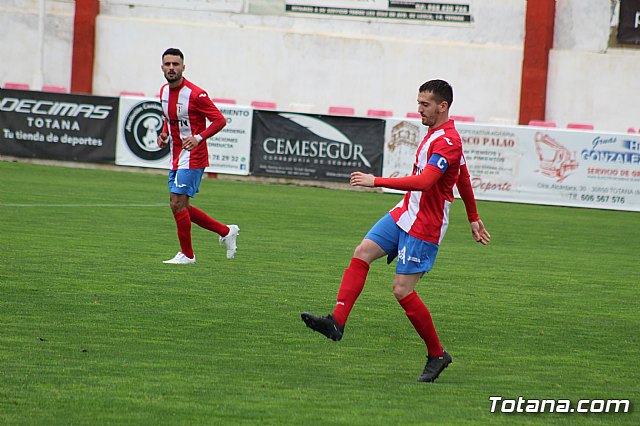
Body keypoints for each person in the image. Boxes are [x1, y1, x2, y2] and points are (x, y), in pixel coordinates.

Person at [301, 79, 491, 382]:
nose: (419, 110)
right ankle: (336, 322)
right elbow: (463, 176)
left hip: (425, 224)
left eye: (425, 105)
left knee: (402, 290)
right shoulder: (436, 134)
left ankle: (437, 354)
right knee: (362, 252)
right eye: (418, 103)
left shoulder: (448, 141)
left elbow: (428, 182)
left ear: (443, 106)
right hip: (405, 212)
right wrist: (473, 216)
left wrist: (376, 181)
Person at [157, 48, 239, 264]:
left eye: (176, 64)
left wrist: (199, 137)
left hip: (193, 156)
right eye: (168, 64)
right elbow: (168, 116)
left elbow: (219, 120)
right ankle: (225, 231)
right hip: (175, 155)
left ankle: (188, 255)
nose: (172, 68)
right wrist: (164, 132)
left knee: (177, 203)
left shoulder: (196, 94)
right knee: (179, 206)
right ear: (162, 67)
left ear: (184, 67)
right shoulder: (164, 91)